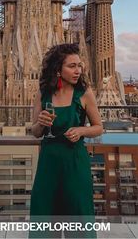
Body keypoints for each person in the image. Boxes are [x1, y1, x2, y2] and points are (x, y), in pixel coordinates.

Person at [29, 44, 103, 238]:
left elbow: (98, 127)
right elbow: (35, 132)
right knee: (44, 214)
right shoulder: (43, 93)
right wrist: (41, 123)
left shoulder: (84, 93)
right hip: (49, 164)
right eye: (72, 66)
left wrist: (81, 130)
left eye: (79, 65)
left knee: (77, 213)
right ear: (57, 70)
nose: (78, 70)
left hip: (75, 162)